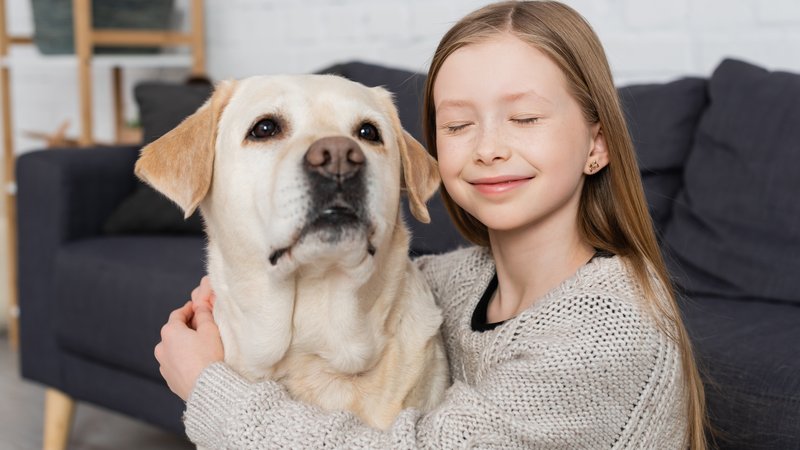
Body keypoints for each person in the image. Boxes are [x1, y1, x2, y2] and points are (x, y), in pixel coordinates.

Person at [154, 1, 707, 448]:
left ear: (597, 143)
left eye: (525, 117)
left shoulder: (608, 333)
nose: (489, 147)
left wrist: (211, 389)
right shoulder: (457, 282)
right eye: (459, 124)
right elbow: (383, 279)